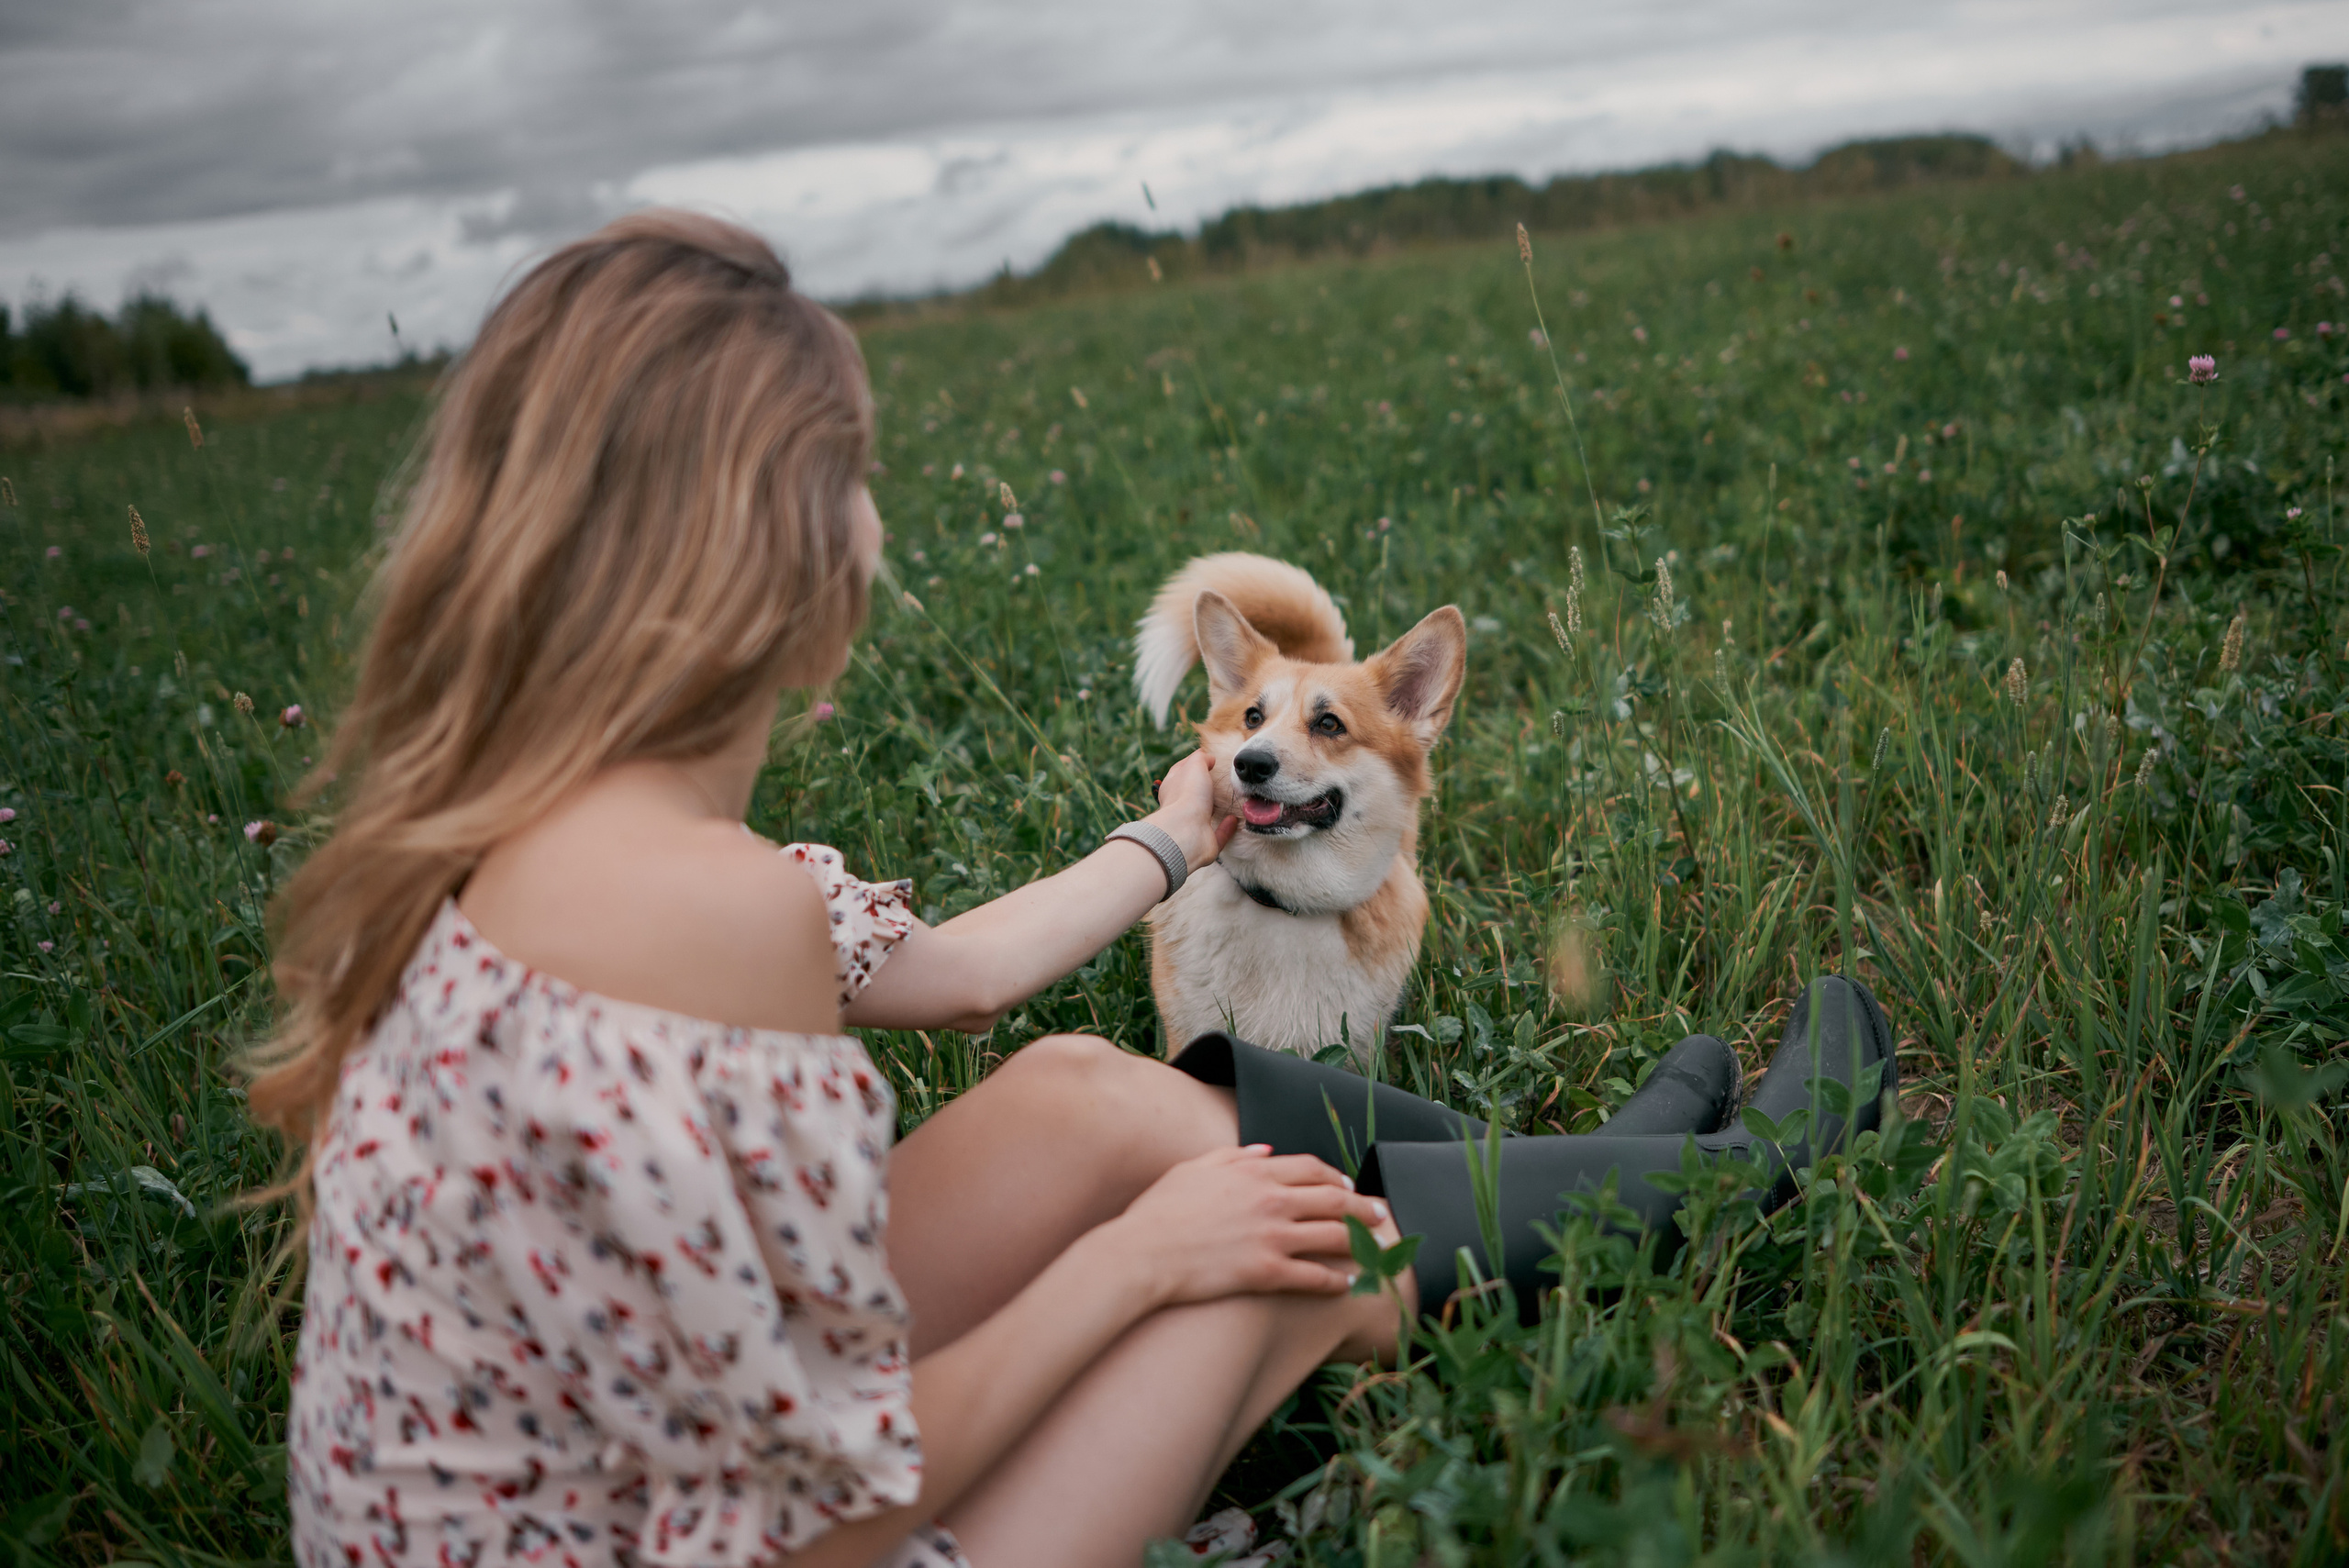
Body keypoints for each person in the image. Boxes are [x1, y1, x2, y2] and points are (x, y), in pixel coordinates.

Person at [250, 210, 1893, 1568]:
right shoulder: (702, 911)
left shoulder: (517, 824)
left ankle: (1617, 1166)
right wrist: (1141, 1261)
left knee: (1079, 1093)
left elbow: (958, 973)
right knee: (1264, 1251)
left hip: (573, 1506)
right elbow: (817, 1517)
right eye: (857, 473)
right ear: (774, 539)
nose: (875, 522)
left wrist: (1179, 832)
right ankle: (1703, 1192)